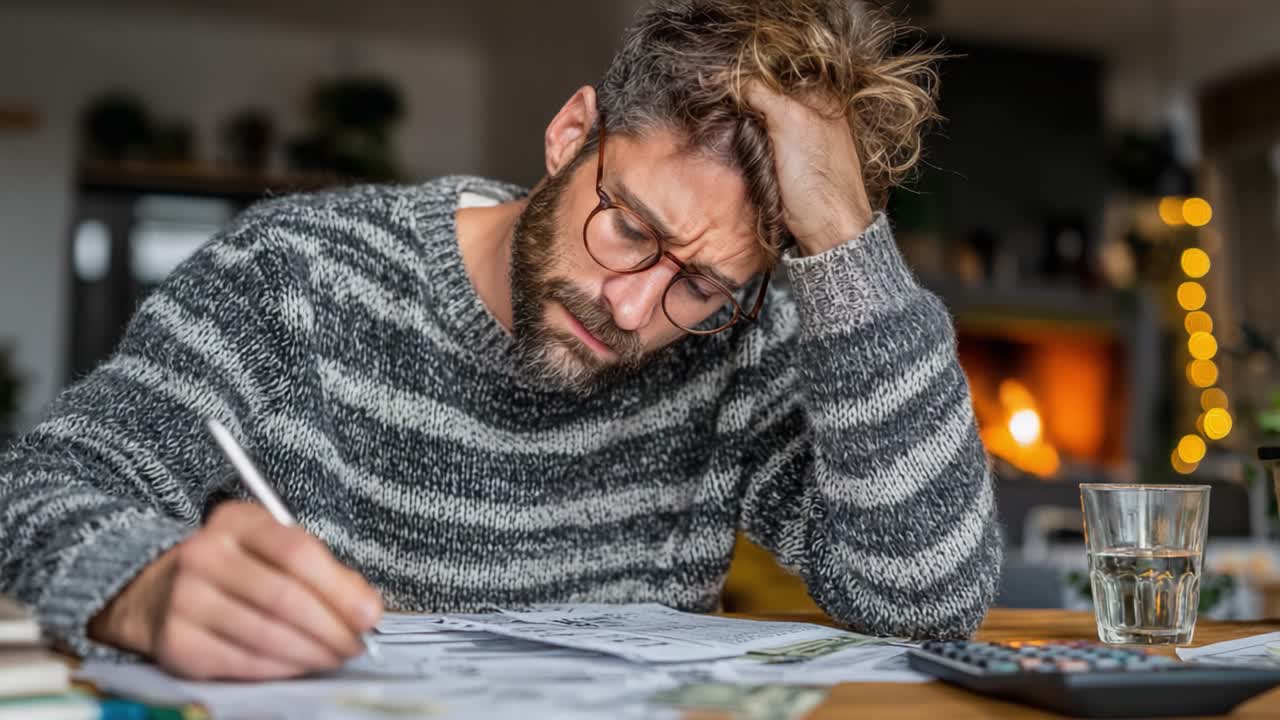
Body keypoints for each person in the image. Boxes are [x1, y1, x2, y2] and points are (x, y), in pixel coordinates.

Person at [0, 0, 1000, 680]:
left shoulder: (738, 342)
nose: (632, 305)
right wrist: (141, 585)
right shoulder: (295, 277)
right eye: (629, 228)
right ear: (571, 134)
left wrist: (847, 241)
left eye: (698, 283)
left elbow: (927, 597)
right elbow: (34, 494)